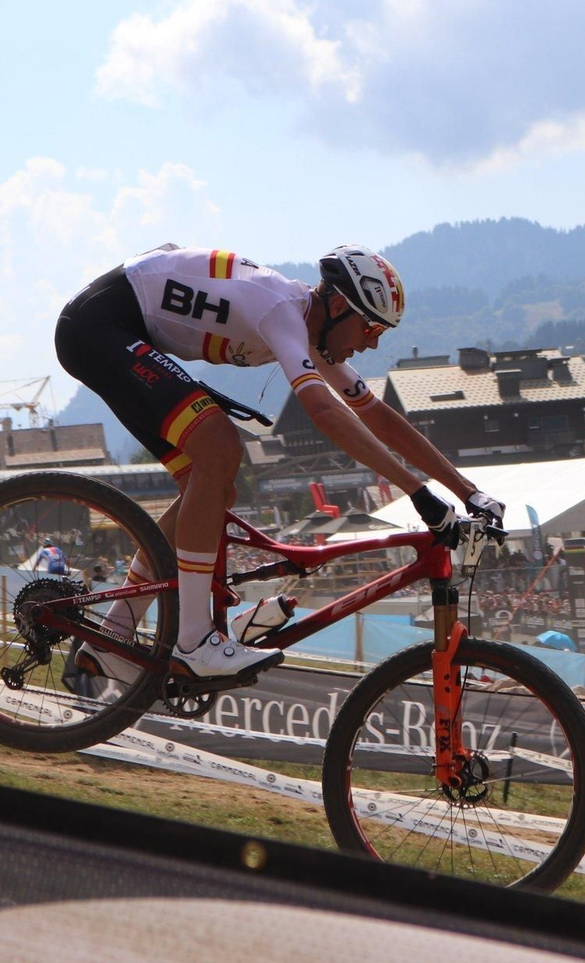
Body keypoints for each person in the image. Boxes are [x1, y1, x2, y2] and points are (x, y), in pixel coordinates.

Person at [55, 243, 503, 682]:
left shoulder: (308, 327)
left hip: (117, 331)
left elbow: (377, 415)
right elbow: (324, 413)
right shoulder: (283, 311)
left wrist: (467, 492)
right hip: (99, 325)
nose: (371, 345)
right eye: (371, 330)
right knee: (220, 447)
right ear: (339, 307)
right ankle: (193, 642)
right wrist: (419, 494)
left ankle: (111, 634)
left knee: (212, 486)